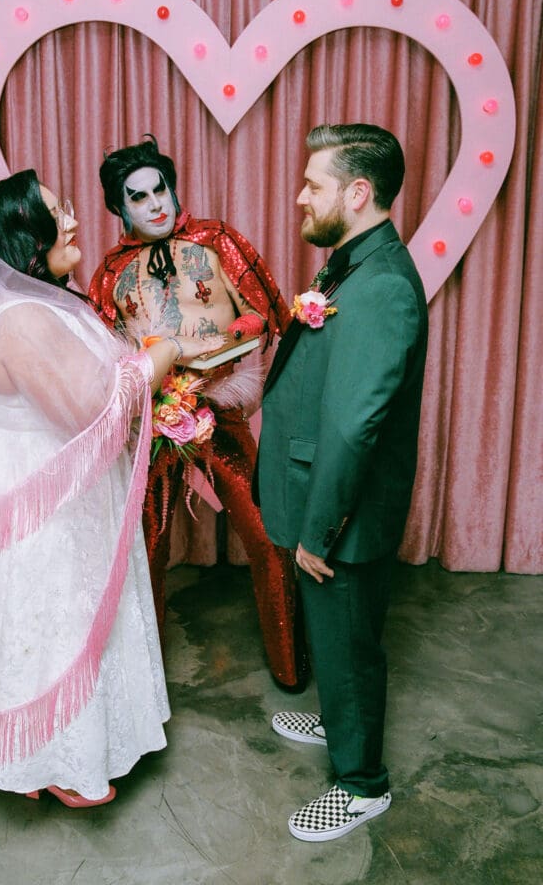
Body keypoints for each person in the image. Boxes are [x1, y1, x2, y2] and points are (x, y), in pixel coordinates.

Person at [0, 170, 219, 807]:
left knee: (34, 621)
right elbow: (90, 409)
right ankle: (51, 759)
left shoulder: (36, 304)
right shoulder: (20, 319)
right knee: (45, 621)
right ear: (27, 239)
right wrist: (163, 355)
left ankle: (49, 749)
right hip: (36, 493)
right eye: (56, 213)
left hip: (43, 479)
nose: (72, 220)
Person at [256, 124, 428, 841]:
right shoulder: (353, 262)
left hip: (340, 517)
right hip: (319, 496)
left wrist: (320, 530)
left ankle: (361, 785)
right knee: (336, 634)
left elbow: (357, 427)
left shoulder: (382, 284)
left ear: (358, 193)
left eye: (313, 185)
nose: (300, 197)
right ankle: (338, 720)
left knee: (352, 641)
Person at [89, 135, 307, 690]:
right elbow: (106, 358)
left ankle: (291, 666)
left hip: (219, 408)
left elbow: (265, 315)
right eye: (138, 197)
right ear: (120, 208)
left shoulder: (216, 239)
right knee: (147, 548)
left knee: (265, 534)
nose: (156, 203)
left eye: (160, 189)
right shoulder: (111, 275)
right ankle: (141, 687)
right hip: (154, 426)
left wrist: (220, 342)